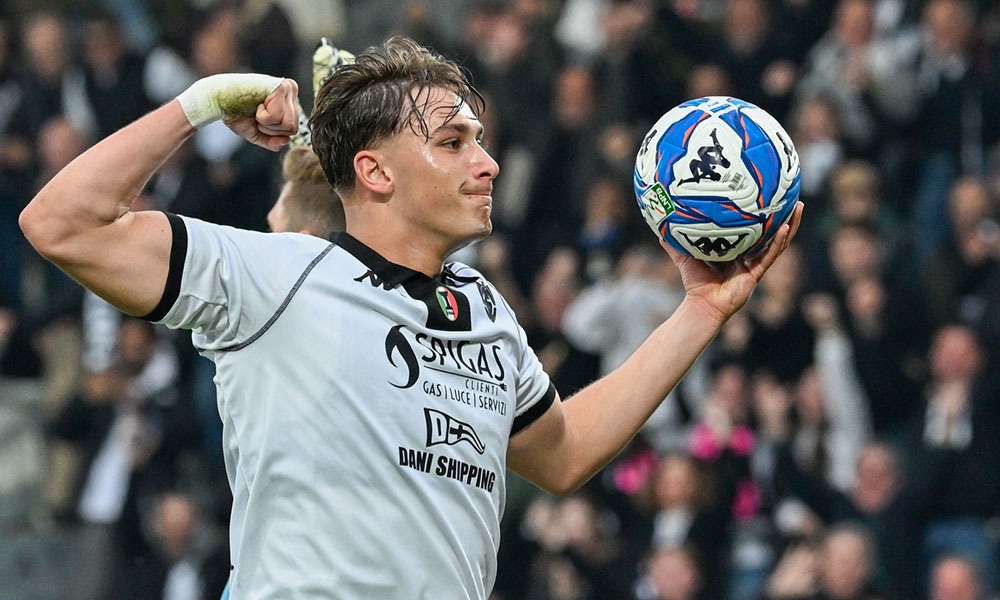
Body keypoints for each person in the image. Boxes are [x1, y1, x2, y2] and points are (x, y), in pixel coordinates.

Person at [19, 36, 803, 599]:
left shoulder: (485, 312)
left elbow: (564, 455)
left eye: (480, 141)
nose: (487, 163)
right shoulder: (276, 275)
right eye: (454, 142)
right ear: (375, 171)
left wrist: (701, 311)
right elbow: (61, 224)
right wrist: (202, 102)